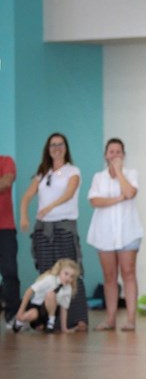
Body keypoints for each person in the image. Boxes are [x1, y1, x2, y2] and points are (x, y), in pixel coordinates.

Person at [18, 133, 88, 331]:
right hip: (44, 229)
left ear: (66, 148)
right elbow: (26, 197)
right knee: (47, 274)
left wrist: (49, 207)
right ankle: (45, 319)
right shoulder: (43, 173)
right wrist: (24, 216)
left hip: (64, 227)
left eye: (60, 144)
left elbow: (69, 193)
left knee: (70, 272)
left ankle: (77, 319)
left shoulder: (72, 171)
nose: (57, 148)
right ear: (48, 149)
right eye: (53, 145)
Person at [86, 139, 144, 331]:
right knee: (109, 276)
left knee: (128, 273)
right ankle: (110, 319)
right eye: (111, 152)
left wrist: (118, 171)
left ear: (123, 155)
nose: (114, 155)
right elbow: (95, 201)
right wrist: (119, 198)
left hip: (128, 233)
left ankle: (130, 319)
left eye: (118, 152)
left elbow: (130, 192)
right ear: (105, 155)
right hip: (104, 234)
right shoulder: (98, 177)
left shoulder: (131, 174)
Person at [12, 258, 79, 334]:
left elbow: (64, 308)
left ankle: (50, 323)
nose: (68, 278)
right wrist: (20, 311)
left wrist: (64, 328)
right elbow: (29, 291)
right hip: (37, 306)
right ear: (59, 271)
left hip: (50, 311)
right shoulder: (50, 279)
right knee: (33, 314)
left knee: (51, 295)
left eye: (72, 276)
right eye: (66, 274)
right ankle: (19, 321)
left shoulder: (68, 288)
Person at [0, 154, 20, 329]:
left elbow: (6, 182)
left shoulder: (6, 161)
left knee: (10, 273)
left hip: (4, 228)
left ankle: (12, 316)